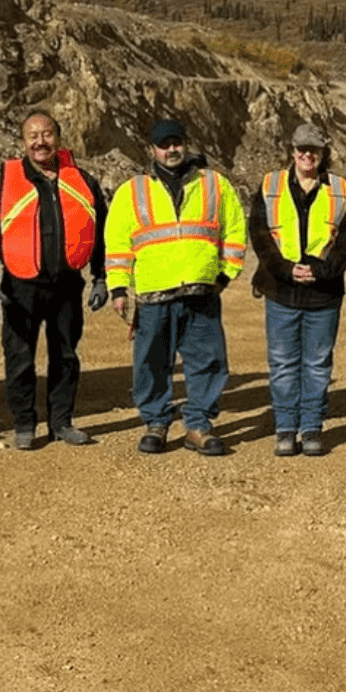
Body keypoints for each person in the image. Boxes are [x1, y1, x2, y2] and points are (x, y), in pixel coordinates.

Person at [105, 118, 246, 455]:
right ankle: (156, 422)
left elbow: (234, 231)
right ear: (152, 149)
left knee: (208, 360)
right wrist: (119, 288)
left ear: (186, 143)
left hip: (201, 291)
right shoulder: (133, 191)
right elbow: (117, 243)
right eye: (164, 144)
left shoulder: (214, 184)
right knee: (151, 362)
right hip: (154, 293)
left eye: (177, 143)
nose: (171, 150)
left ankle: (198, 426)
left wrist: (225, 275)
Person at [0, 110, 109, 450]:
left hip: (66, 286)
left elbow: (102, 234)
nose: (39, 142)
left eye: (46, 134)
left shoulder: (84, 181)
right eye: (32, 135)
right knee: (19, 358)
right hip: (19, 287)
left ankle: (61, 422)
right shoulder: (4, 182)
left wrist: (102, 278)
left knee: (65, 356)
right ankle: (24, 424)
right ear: (23, 142)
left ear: (58, 138)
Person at [249, 122, 346, 457]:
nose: (307, 155)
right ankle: (285, 428)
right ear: (292, 151)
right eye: (301, 149)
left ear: (324, 152)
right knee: (283, 363)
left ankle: (311, 427)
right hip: (281, 290)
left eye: (314, 149)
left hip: (324, 292)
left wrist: (323, 270)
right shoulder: (270, 185)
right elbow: (260, 234)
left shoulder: (340, 188)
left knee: (317, 363)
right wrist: (284, 269)